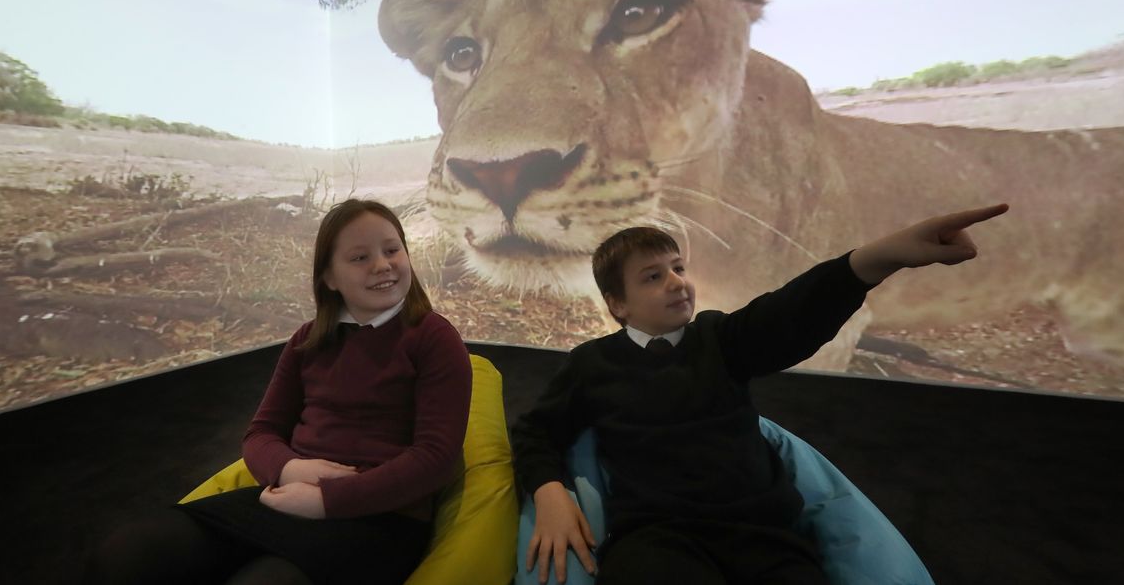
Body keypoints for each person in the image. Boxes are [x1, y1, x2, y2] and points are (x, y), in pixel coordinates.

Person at [513, 204, 1010, 585]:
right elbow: (536, 433)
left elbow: (789, 313)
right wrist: (550, 493)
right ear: (617, 304)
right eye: (653, 276)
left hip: (761, 533)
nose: (676, 282)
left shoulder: (719, 337)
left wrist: (879, 258)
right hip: (657, 536)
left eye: (678, 267)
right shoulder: (592, 363)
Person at [85, 199, 473, 585]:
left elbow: (435, 458)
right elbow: (260, 434)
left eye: (392, 250)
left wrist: (327, 501)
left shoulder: (434, 338)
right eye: (360, 257)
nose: (382, 265)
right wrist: (290, 469)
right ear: (329, 278)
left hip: (383, 517)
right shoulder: (308, 340)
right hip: (291, 496)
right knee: (128, 552)